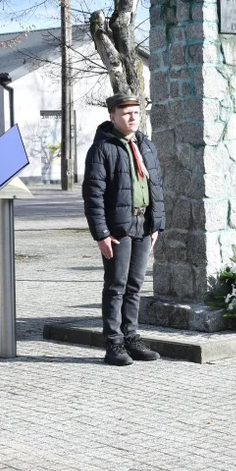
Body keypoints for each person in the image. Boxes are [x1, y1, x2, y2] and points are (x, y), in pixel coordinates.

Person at [84, 93, 166, 366]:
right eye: (126, 113)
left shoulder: (145, 145)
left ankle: (131, 337)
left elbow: (156, 187)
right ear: (113, 116)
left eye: (136, 112)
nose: (133, 117)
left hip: (144, 224)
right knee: (116, 285)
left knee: (135, 285)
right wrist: (101, 234)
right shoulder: (102, 148)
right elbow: (93, 195)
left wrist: (156, 224)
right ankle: (114, 343)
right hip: (118, 227)